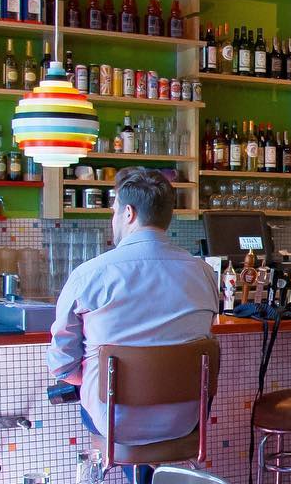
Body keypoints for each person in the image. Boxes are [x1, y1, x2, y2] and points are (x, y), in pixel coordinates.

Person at [47, 167, 219, 453]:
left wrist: (113, 381)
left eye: (114, 211)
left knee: (82, 394)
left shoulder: (89, 275)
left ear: (128, 213)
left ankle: (142, 479)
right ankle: (154, 479)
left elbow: (62, 365)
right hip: (185, 420)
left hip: (114, 423)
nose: (113, 218)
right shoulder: (204, 273)